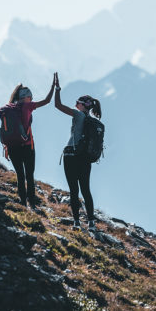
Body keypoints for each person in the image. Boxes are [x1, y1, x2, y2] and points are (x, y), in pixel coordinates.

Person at [53, 72, 102, 230]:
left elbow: (58, 106)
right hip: (85, 158)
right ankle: (92, 223)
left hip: (71, 155)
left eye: (77, 102)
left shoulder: (78, 115)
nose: (75, 104)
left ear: (82, 105)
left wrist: (57, 89)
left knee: (74, 191)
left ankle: (76, 223)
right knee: (86, 190)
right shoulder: (94, 122)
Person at [0, 76, 54, 209]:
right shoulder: (27, 106)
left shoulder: (8, 108)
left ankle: (23, 203)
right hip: (27, 146)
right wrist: (54, 86)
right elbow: (47, 101)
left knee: (20, 175)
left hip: (12, 147)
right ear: (28, 97)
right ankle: (32, 205)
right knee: (29, 175)